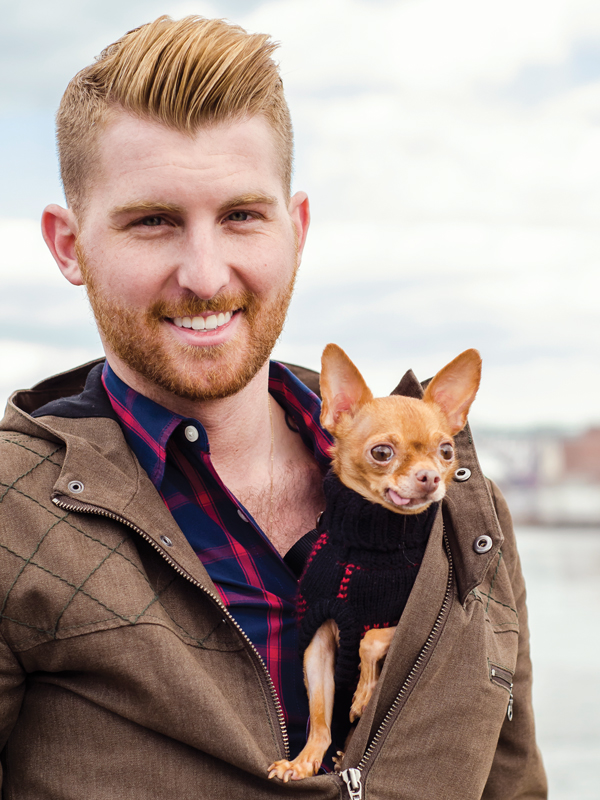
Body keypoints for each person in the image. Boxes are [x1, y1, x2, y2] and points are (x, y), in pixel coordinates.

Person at [0, 15, 547, 799]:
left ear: (296, 229)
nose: (204, 273)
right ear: (68, 246)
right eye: (152, 221)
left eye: (241, 216)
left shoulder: (465, 510)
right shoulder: (10, 513)